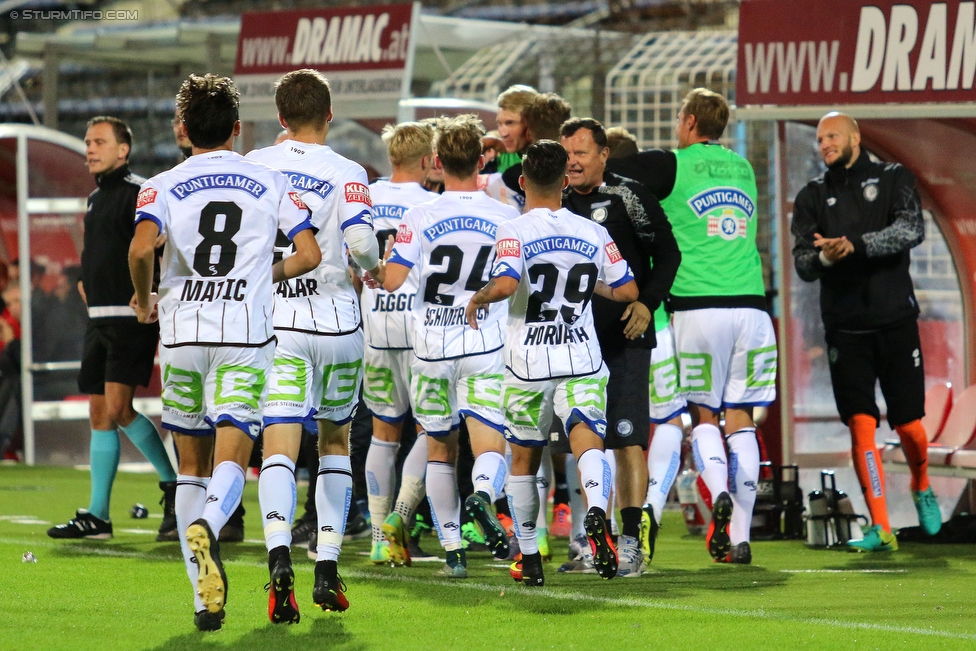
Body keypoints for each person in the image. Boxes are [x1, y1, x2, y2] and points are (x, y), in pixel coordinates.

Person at [129, 73, 320, 631]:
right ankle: (212, 523)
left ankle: (202, 600)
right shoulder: (269, 179)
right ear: (238, 129)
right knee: (234, 455)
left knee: (190, 464)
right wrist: (267, 272)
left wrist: (146, 300)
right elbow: (307, 254)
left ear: (182, 130)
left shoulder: (160, 184)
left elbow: (141, 248)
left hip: (183, 335)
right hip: (243, 335)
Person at [608, 88, 776, 565]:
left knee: (702, 417)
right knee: (741, 421)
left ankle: (717, 490)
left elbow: (618, 176)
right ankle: (739, 538)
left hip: (700, 308)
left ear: (687, 122)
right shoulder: (743, 168)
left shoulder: (672, 165)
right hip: (754, 307)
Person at [465, 139, 640, 585]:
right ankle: (597, 513)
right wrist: (587, 286)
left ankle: (530, 558)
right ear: (565, 181)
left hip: (528, 363)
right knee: (588, 446)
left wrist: (480, 297)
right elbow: (626, 290)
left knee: (523, 461)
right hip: (581, 356)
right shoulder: (593, 232)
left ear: (522, 183)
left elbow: (504, 285)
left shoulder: (515, 229)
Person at [246, 68, 383, 621]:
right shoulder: (348, 170)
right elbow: (359, 242)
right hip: (338, 326)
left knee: (277, 445)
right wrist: (370, 268)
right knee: (334, 443)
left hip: (279, 325)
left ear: (280, 117)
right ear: (329, 115)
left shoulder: (254, 165)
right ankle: (326, 563)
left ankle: (279, 559)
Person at [365, 114, 519, 578]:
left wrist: (371, 270)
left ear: (437, 162)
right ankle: (484, 496)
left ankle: (452, 550)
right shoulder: (504, 215)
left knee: (438, 450)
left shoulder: (420, 215)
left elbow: (391, 281)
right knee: (489, 439)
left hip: (430, 347)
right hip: (483, 345)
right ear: (480, 160)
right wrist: (482, 298)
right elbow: (510, 281)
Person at [791, 111, 941, 552]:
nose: (825, 144)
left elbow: (911, 230)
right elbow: (803, 263)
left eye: (833, 136)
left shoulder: (895, 178)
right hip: (846, 328)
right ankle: (881, 526)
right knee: (861, 425)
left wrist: (856, 245)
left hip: (895, 321)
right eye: (820, 139)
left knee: (909, 423)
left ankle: (921, 483)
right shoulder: (812, 196)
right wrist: (825, 259)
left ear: (856, 137)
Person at [47, 116, 179, 543]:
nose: (90, 148)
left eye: (99, 142)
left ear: (123, 149)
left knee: (120, 409)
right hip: (99, 319)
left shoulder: (141, 191)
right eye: (87, 142)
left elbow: (159, 242)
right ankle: (98, 516)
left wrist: (150, 292)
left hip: (130, 320)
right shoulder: (94, 199)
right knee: (99, 413)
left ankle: (173, 484)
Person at [560, 117, 680, 576]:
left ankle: (631, 543)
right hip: (575, 341)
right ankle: (596, 542)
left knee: (628, 440)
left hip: (627, 336)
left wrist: (648, 304)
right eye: (566, 153)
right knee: (586, 441)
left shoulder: (629, 196)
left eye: (582, 153)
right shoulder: (559, 202)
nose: (572, 162)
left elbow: (668, 254)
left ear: (604, 155)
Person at [605, 126, 688, 564]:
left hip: (642, 326)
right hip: (665, 321)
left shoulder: (627, 195)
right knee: (668, 421)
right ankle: (649, 510)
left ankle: (623, 528)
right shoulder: (656, 182)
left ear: (605, 156)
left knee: (613, 436)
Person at [362, 121, 437, 565]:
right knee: (433, 429)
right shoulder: (433, 204)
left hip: (376, 325)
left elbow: (354, 261)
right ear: (429, 160)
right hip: (421, 327)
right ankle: (400, 519)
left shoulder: (367, 196)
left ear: (392, 157)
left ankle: (376, 536)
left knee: (383, 434)